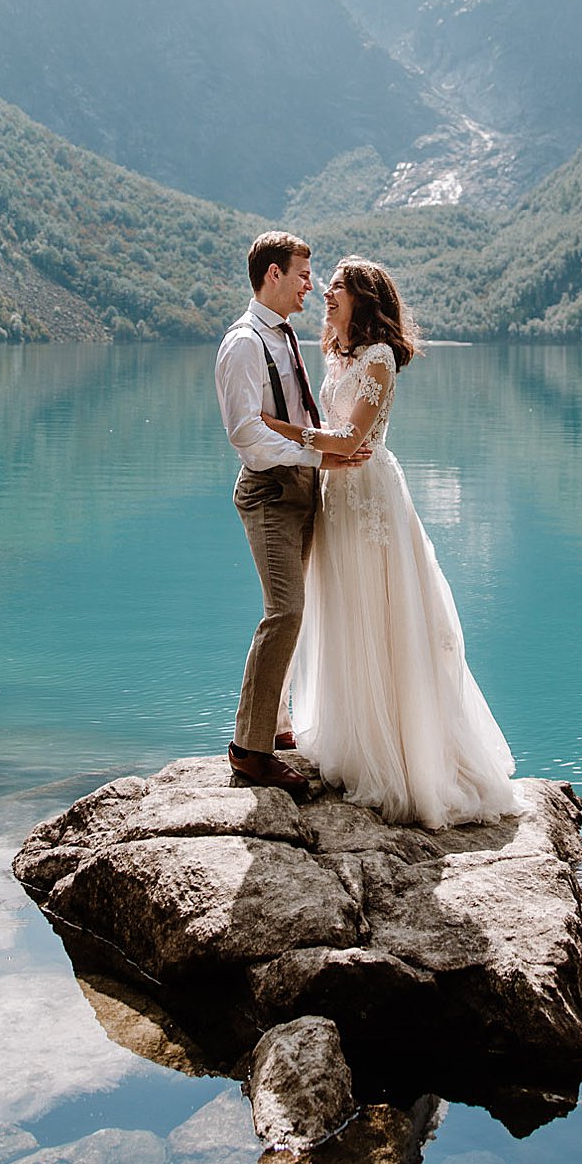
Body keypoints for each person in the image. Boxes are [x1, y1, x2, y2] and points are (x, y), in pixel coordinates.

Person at [260, 257, 519, 829]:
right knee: (344, 612)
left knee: (381, 614)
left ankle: (398, 756)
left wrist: (273, 429)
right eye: (324, 287)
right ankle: (353, 739)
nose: (324, 295)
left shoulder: (378, 360)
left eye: (336, 288)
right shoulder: (335, 355)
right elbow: (334, 436)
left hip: (371, 498)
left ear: (363, 298)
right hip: (337, 495)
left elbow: (353, 436)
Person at [213, 231, 366, 795]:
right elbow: (245, 432)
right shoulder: (244, 342)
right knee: (284, 612)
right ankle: (248, 749)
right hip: (270, 491)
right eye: (303, 274)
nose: (312, 285)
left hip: (300, 487)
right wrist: (317, 454)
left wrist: (320, 457)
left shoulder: (283, 336)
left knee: (293, 611)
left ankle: (275, 725)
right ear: (272, 274)